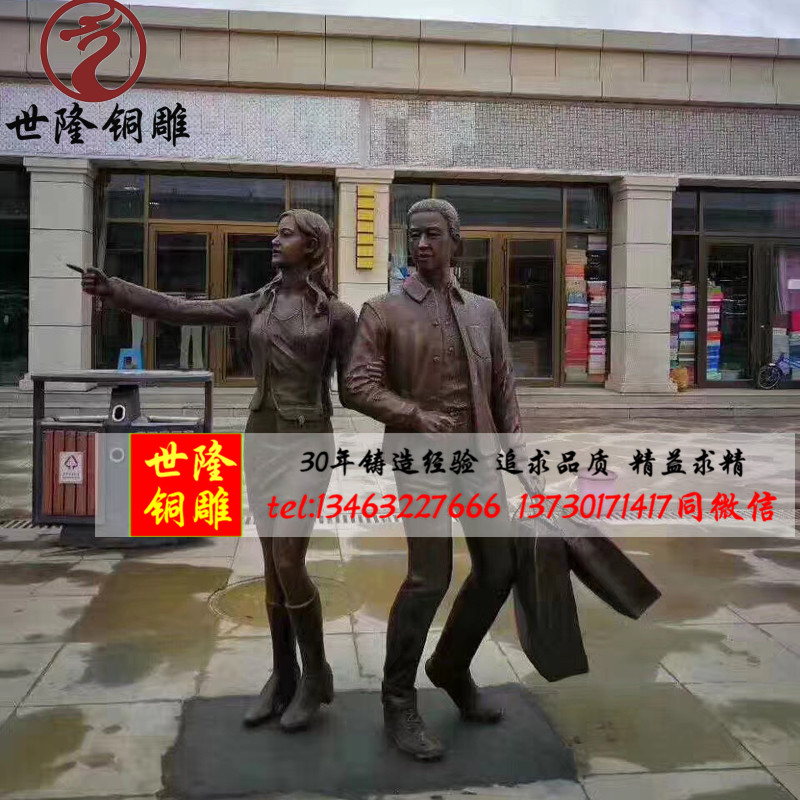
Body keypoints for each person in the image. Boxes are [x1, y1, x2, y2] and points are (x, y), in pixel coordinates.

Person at [81, 209, 357, 732]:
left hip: (307, 442)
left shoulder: (337, 316)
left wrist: (411, 407)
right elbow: (185, 310)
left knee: (290, 561)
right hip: (261, 436)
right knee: (272, 565)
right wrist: (116, 290)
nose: (274, 240)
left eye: (286, 234)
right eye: (275, 232)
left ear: (314, 246)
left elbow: (357, 386)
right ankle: (283, 675)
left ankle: (316, 673)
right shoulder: (259, 303)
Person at [345, 198, 534, 761]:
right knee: (430, 577)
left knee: (499, 569)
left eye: (432, 235)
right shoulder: (382, 311)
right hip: (421, 460)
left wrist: (518, 453)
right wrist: (412, 414)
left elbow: (503, 386)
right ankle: (397, 699)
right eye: (414, 235)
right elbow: (356, 385)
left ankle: (451, 665)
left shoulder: (484, 311)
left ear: (456, 243)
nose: (422, 244)